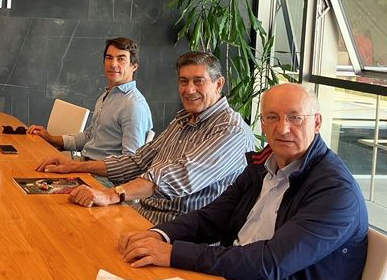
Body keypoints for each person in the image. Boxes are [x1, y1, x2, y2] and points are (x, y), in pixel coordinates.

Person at [119, 83, 368, 280]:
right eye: (273, 117)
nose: (283, 128)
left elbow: (272, 261)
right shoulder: (263, 164)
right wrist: (159, 235)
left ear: (316, 123)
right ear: (262, 122)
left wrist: (173, 253)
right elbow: (213, 217)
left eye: (295, 118)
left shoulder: (335, 191)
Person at [36, 51, 255, 225]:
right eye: (183, 81)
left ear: (218, 84)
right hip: (143, 213)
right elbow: (137, 161)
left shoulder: (232, 130)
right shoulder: (183, 119)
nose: (189, 90)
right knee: (56, 219)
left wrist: (113, 194)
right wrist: (73, 166)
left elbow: (180, 176)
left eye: (199, 81)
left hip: (180, 232)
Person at [28, 37, 152, 160]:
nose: (113, 64)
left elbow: (129, 163)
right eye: (109, 58)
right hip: (85, 164)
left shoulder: (134, 105)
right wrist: (51, 138)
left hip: (102, 177)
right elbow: (89, 137)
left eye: (121, 59)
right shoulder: (107, 95)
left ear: (134, 66)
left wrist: (77, 167)